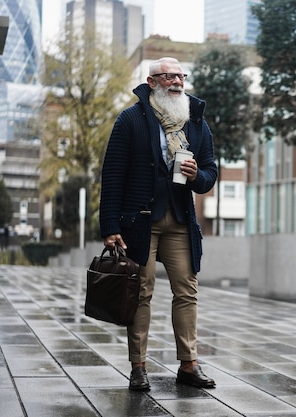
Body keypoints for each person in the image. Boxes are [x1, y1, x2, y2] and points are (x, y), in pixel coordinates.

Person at [99, 57, 218, 391]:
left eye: (181, 76)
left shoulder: (196, 122)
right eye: (169, 76)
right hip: (140, 221)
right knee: (141, 292)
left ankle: (189, 365)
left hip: (180, 219)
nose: (177, 82)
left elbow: (210, 170)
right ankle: (138, 367)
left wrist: (199, 177)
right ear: (152, 82)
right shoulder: (131, 119)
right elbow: (112, 174)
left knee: (187, 290)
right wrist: (110, 225)